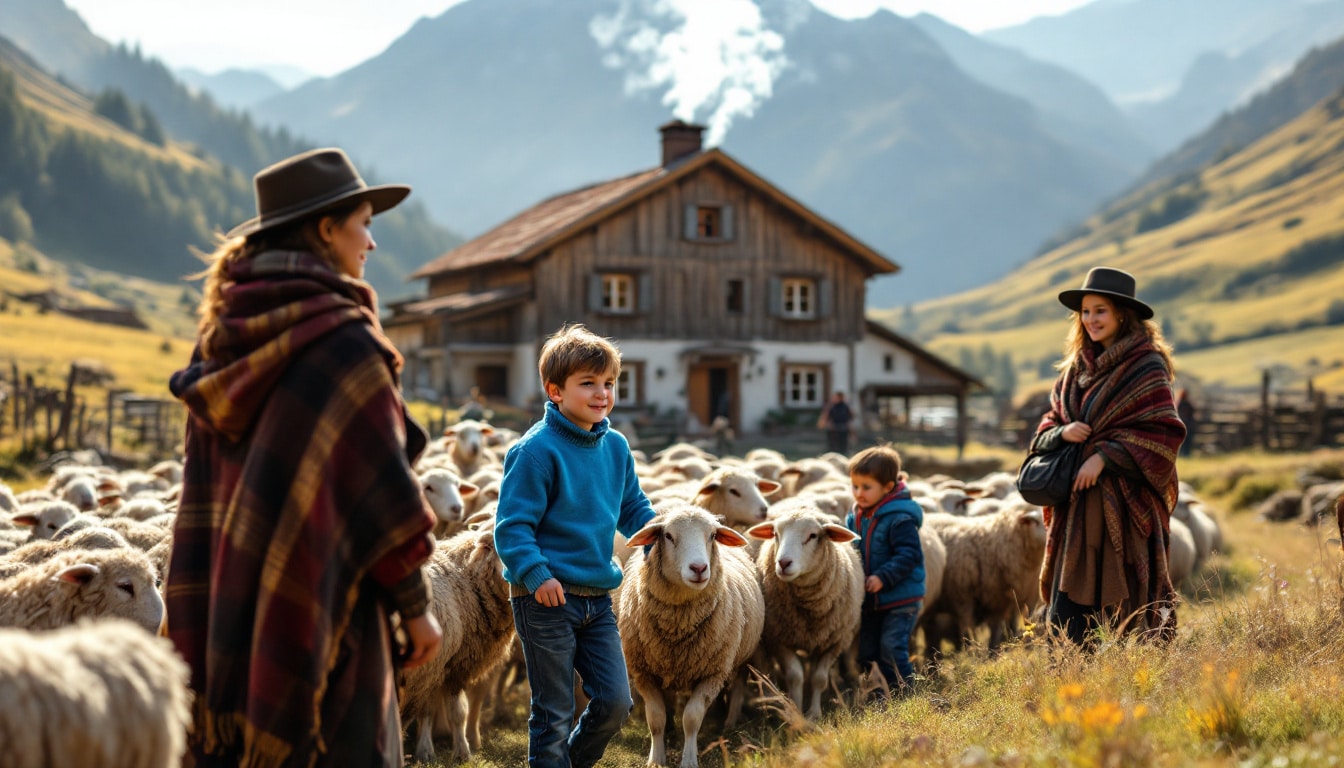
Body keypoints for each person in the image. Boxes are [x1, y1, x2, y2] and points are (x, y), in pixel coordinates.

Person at [165, 147, 443, 767]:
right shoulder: (343, 344)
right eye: (364, 223)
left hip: (224, 606)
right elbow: (381, 495)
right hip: (323, 603)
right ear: (325, 230)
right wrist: (417, 610)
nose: (370, 243)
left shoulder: (219, 342)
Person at [494, 323, 658, 768]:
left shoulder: (616, 446)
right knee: (554, 711)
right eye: (588, 383)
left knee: (615, 702)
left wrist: (661, 536)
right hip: (545, 598)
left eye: (608, 383)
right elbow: (511, 527)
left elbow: (632, 507)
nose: (602, 393)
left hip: (597, 598)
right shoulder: (535, 451)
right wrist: (536, 574)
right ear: (555, 390)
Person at [1032, 266, 1186, 647]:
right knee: (1066, 608)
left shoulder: (1146, 367)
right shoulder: (1073, 371)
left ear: (1121, 313)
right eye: (1085, 312)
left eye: (1100, 310)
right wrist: (1062, 432)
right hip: (1076, 505)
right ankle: (1069, 678)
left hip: (1123, 505)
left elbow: (1163, 433)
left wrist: (1105, 456)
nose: (1091, 320)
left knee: (1122, 598)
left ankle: (1125, 679)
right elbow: (1048, 423)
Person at [843, 444, 925, 697]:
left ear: (888, 487)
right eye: (855, 486)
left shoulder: (900, 519)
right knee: (867, 651)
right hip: (870, 600)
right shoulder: (856, 516)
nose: (859, 493)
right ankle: (879, 695)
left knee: (891, 647)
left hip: (900, 598)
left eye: (866, 487)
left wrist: (883, 577)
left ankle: (904, 694)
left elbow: (910, 555)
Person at [819, 390, 854, 455]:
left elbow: (849, 418)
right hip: (833, 430)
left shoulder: (845, 406)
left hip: (843, 429)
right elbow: (825, 417)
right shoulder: (831, 406)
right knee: (832, 447)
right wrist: (824, 424)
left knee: (843, 447)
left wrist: (851, 432)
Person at [1176, 388, 1196, 456]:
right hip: (1185, 425)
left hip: (1186, 425)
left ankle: (1185, 454)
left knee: (1186, 440)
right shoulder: (1182, 404)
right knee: (1185, 441)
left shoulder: (1181, 404)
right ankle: (1184, 453)